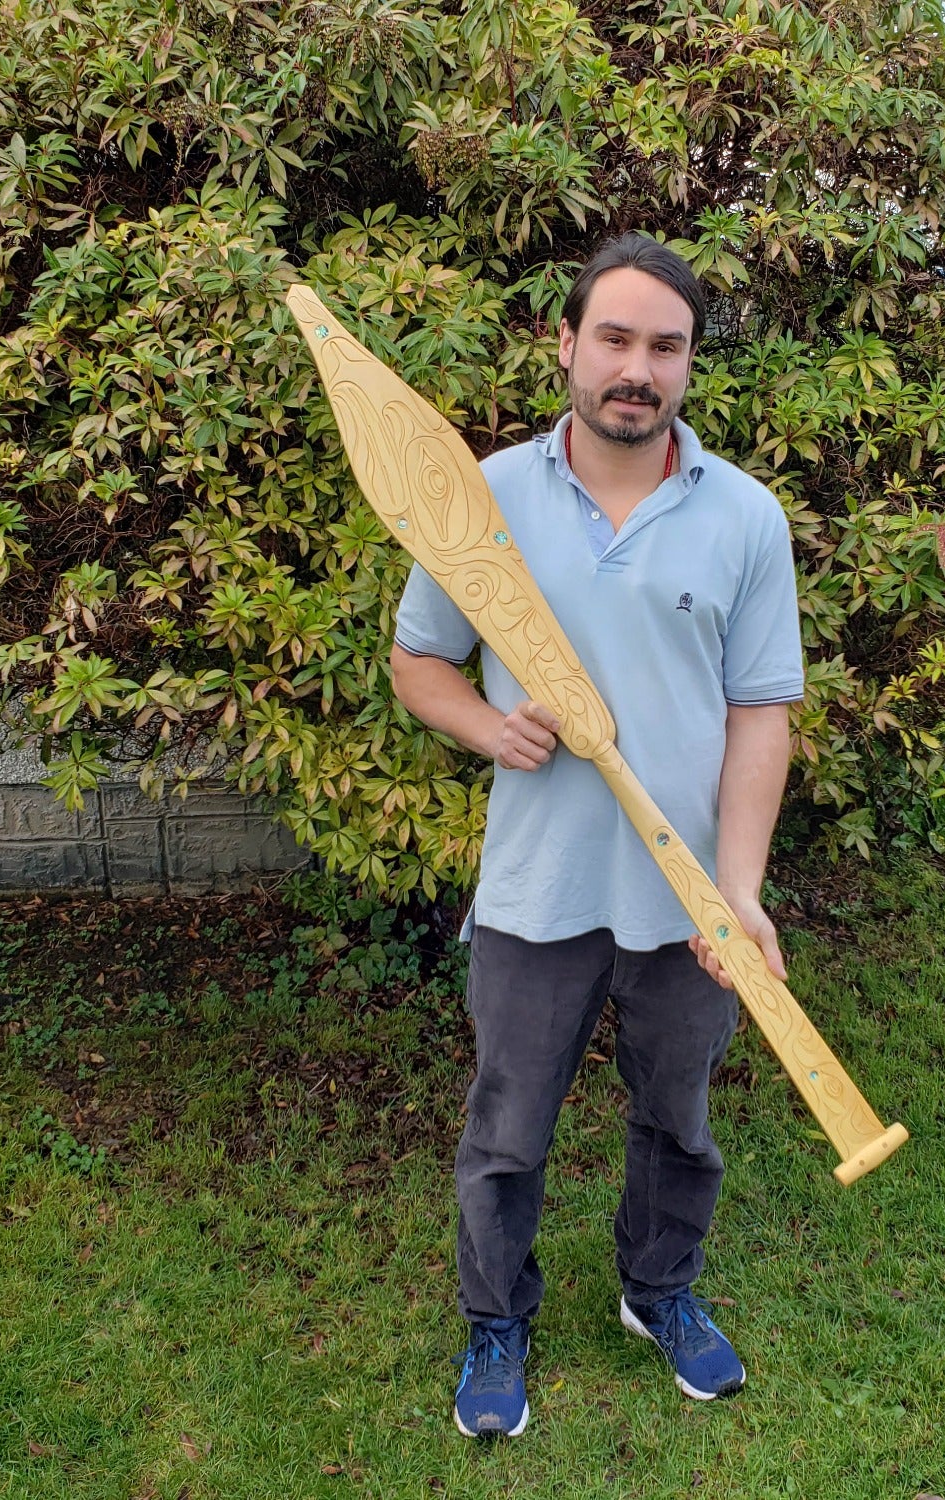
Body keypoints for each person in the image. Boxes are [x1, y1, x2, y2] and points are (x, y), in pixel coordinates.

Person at [389, 232, 804, 1438]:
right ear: (564, 345)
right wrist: (486, 726)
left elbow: (759, 718)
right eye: (614, 338)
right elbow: (421, 661)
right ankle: (496, 1317)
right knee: (507, 1129)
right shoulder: (487, 496)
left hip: (687, 902)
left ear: (688, 365)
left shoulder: (744, 516)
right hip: (537, 886)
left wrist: (738, 890)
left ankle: (660, 1290)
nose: (639, 366)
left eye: (664, 346)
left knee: (679, 1119)